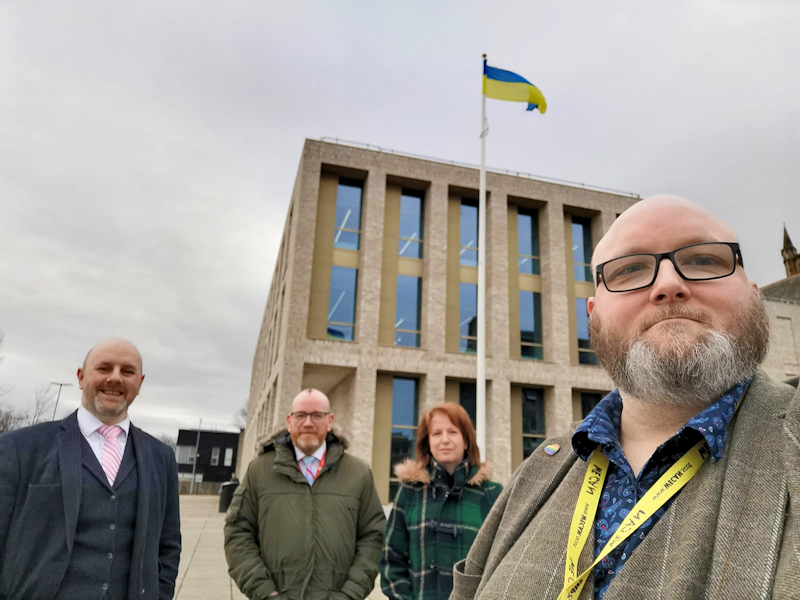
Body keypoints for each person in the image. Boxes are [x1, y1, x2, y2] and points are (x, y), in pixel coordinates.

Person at [452, 196, 800, 600]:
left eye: (704, 260)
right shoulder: (537, 471)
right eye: (631, 269)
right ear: (593, 315)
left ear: (754, 294)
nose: (669, 284)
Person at [0, 338, 181, 599]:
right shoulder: (20, 448)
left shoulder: (161, 458)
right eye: (104, 368)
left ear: (139, 383)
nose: (116, 378)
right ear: (81, 377)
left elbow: (168, 545)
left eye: (127, 371)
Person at [224, 388, 386, 599]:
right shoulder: (260, 470)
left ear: (330, 421)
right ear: (289, 421)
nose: (308, 422)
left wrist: (350, 593)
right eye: (301, 415)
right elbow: (238, 532)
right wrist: (265, 592)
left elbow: (373, 536)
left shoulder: (358, 473)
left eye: (317, 415)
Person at [380, 403, 502, 600]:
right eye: (436, 433)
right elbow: (391, 562)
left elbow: (501, 563)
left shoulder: (491, 494)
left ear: (466, 441)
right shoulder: (410, 492)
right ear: (427, 442)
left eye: (453, 432)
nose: (445, 440)